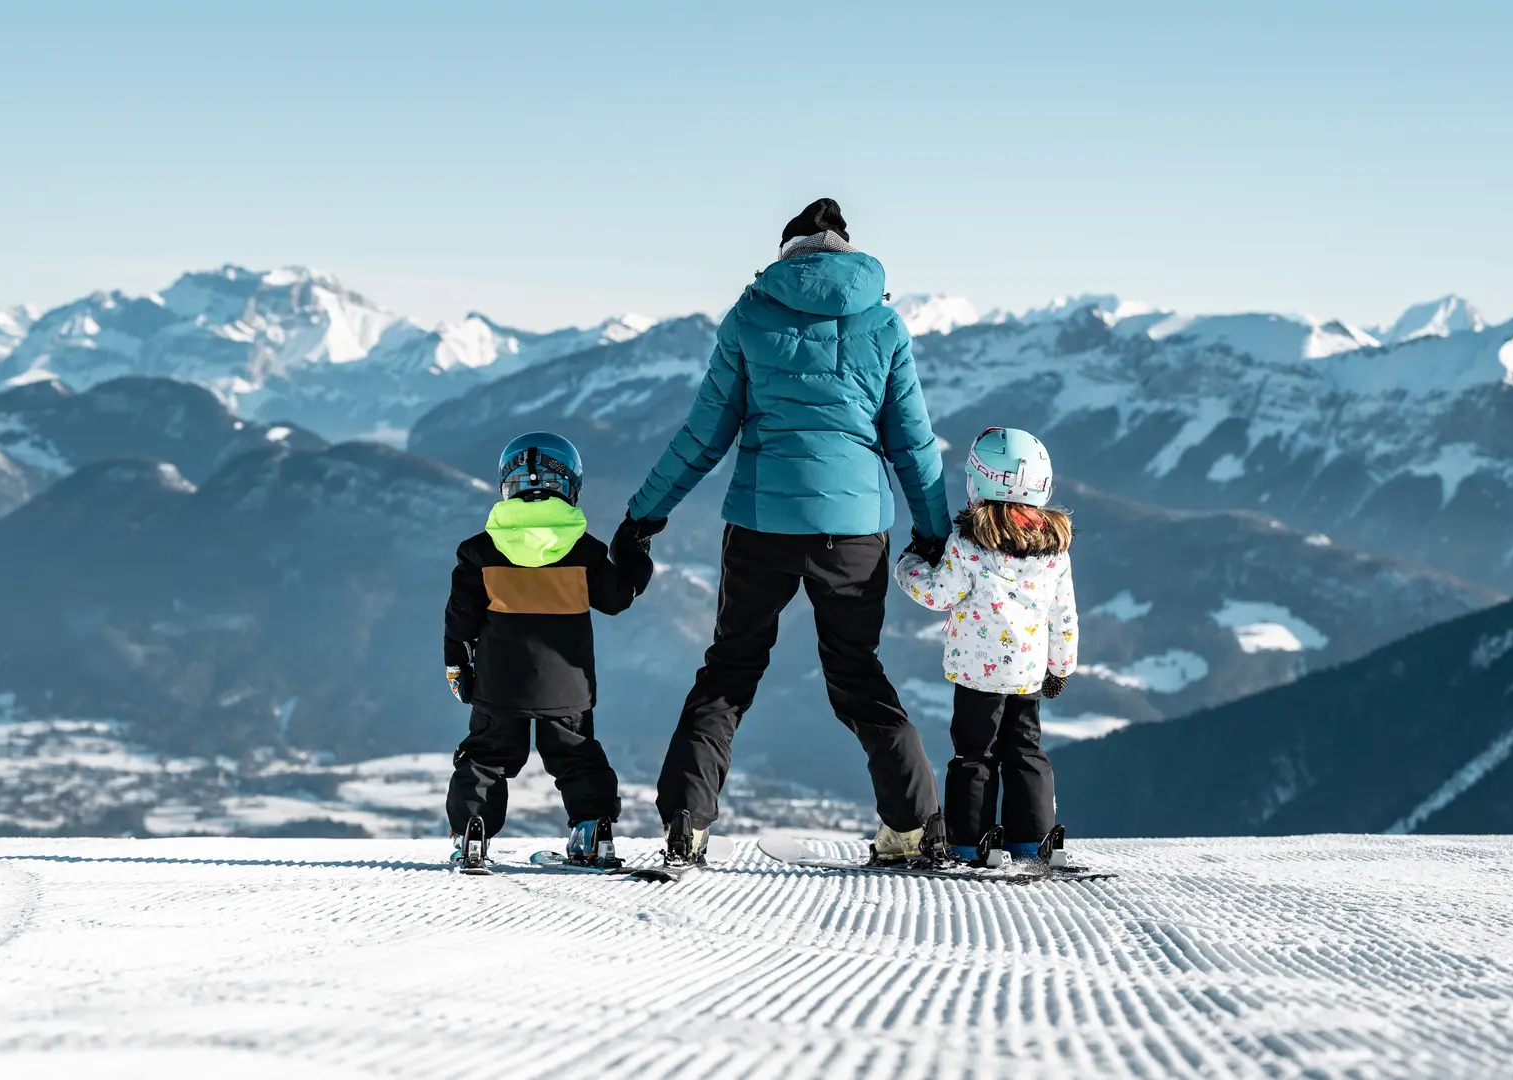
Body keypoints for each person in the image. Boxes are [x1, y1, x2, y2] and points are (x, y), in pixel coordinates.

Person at [614, 198, 954, 872]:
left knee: (731, 669)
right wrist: (936, 531)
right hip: (855, 531)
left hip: (763, 522)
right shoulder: (883, 323)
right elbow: (912, 442)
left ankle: (687, 826)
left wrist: (643, 516)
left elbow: (703, 435)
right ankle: (914, 827)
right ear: (847, 250)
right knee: (857, 673)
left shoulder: (748, 317)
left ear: (787, 251)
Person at [443, 431, 652, 871]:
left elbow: (460, 622)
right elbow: (618, 598)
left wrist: (457, 667)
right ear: (571, 486)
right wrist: (634, 556)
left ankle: (472, 835)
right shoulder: (584, 550)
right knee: (577, 757)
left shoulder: (479, 552)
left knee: (486, 758)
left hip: (499, 684)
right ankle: (592, 834)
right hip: (568, 684)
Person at [894, 427, 1078, 863]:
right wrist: (1060, 668)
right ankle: (1033, 841)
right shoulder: (1055, 551)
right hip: (1029, 676)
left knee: (975, 755)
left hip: (978, 675)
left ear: (978, 483)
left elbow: (938, 593)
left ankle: (967, 841)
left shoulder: (969, 544)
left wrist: (909, 564)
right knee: (1026, 751)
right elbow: (1064, 615)